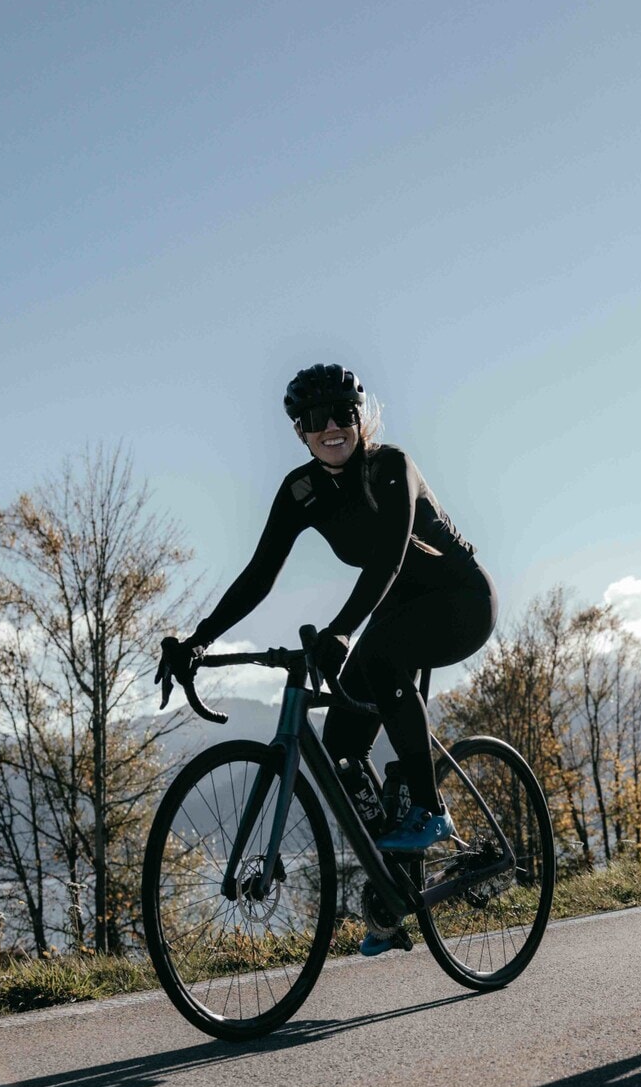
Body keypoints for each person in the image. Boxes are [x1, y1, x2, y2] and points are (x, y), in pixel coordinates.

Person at [159, 364, 498, 955]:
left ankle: (430, 809)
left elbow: (389, 560)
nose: (332, 426)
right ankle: (394, 891)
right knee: (341, 743)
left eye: (344, 413)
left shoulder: (391, 468)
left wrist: (341, 630)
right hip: (394, 612)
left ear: (360, 419)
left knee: (383, 660)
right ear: (300, 430)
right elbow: (259, 575)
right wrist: (199, 640)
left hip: (461, 601)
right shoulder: (301, 491)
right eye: (317, 418)